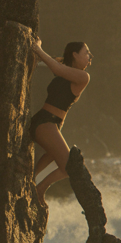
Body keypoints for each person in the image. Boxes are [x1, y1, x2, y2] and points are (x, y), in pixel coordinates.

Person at [27, 39, 92, 205]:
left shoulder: (82, 77)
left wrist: (40, 51)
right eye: (86, 52)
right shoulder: (69, 71)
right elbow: (55, 65)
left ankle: (30, 179)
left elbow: (56, 66)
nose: (90, 56)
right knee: (69, 166)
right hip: (46, 122)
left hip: (49, 124)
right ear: (75, 55)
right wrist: (38, 48)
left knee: (53, 154)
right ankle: (39, 189)